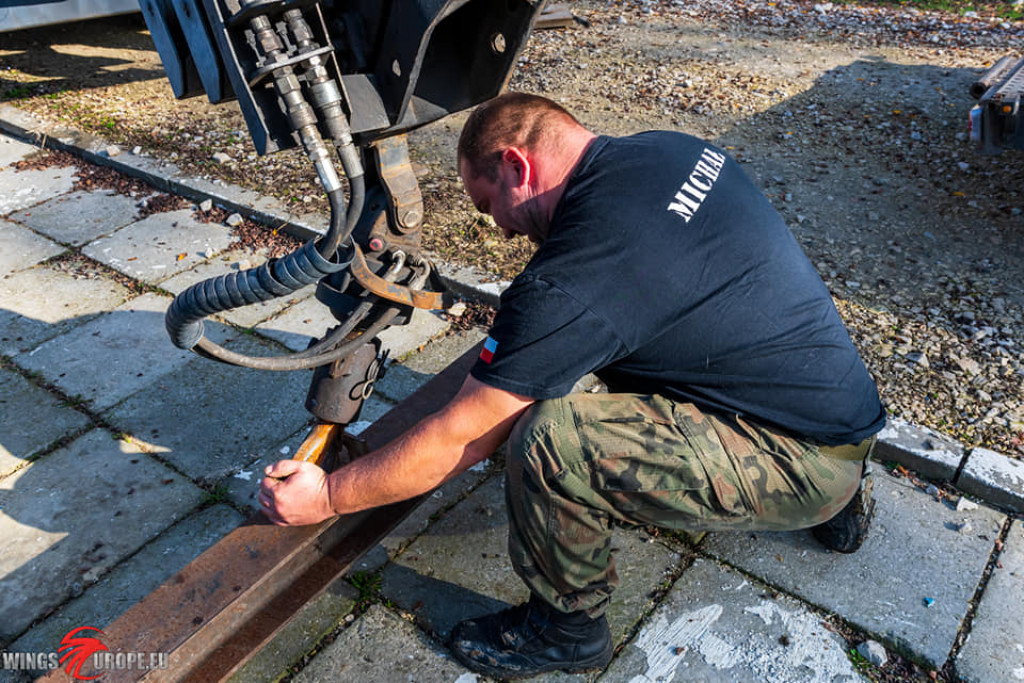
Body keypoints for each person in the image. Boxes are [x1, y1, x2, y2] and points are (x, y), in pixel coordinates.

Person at [258, 92, 887, 680]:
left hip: (797, 461)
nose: (500, 229)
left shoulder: (572, 284)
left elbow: (461, 438)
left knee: (547, 441)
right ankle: (843, 500)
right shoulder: (670, 150)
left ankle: (567, 630)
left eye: (488, 206)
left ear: (515, 167)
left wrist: (331, 496)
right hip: (842, 412)